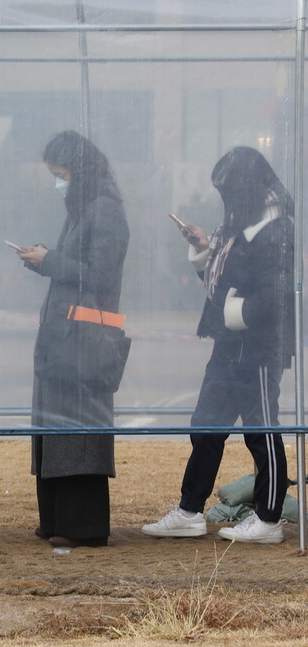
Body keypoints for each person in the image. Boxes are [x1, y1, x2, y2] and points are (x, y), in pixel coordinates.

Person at [142, 146, 293, 544]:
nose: (226, 201)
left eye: (230, 191)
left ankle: (269, 518)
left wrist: (232, 309)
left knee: (262, 432)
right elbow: (222, 282)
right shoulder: (238, 225)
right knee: (206, 428)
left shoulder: (275, 228)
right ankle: (190, 511)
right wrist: (205, 247)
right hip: (227, 346)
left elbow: (273, 297)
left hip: (260, 349)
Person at [16, 131, 129, 549]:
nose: (57, 182)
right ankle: (57, 518)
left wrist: (50, 262)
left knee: (78, 433)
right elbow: (78, 265)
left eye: (60, 174)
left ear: (78, 172)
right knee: (56, 432)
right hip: (65, 337)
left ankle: (83, 524)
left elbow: (100, 275)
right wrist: (47, 259)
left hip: (83, 340)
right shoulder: (84, 210)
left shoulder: (106, 211)